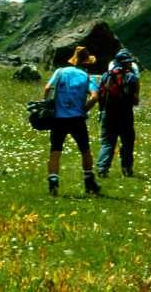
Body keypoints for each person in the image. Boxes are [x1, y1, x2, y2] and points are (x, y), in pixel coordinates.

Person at [44, 46, 101, 197]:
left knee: (55, 150)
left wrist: (50, 105)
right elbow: (95, 97)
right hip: (77, 119)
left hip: (59, 119)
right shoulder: (88, 77)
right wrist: (84, 109)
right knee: (85, 150)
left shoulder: (60, 72)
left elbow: (48, 88)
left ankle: (53, 181)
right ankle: (89, 180)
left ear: (74, 60)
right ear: (86, 62)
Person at [96, 49, 140, 177]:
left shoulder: (106, 76)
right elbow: (135, 101)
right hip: (125, 115)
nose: (131, 64)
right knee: (127, 142)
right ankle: (127, 169)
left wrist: (101, 111)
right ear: (125, 63)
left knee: (108, 143)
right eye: (129, 62)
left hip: (108, 114)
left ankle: (102, 169)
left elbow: (100, 96)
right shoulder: (131, 77)